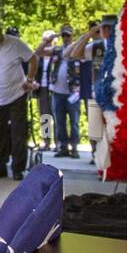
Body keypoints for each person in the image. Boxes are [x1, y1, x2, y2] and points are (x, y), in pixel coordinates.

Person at [0, 17, 38, 180]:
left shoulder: (15, 43)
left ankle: (18, 168)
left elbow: (33, 59)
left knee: (18, 133)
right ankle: (0, 166)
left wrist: (29, 80)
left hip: (16, 94)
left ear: (0, 30)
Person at [67, 16, 114, 162]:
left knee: (113, 129)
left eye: (109, 27)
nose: (106, 30)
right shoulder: (97, 46)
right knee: (95, 128)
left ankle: (113, 161)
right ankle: (98, 158)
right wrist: (89, 34)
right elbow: (75, 54)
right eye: (104, 27)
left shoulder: (122, 45)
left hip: (115, 94)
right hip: (97, 93)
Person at [46, 24, 82, 158]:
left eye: (68, 35)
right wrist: (48, 39)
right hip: (57, 91)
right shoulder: (56, 50)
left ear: (72, 36)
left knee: (74, 122)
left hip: (73, 92)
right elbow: (38, 52)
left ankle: (74, 148)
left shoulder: (77, 50)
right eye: (64, 35)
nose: (66, 38)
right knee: (59, 122)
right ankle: (63, 147)